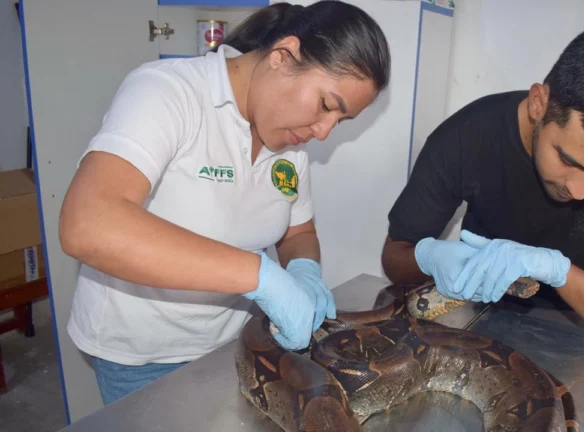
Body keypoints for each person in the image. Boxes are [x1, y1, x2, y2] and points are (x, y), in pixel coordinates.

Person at [58, 1, 390, 405]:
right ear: (283, 57)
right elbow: (88, 224)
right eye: (326, 106)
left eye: (340, 122)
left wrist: (304, 271)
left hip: (233, 345)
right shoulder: (169, 92)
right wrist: (261, 276)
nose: (323, 132)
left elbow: (297, 230)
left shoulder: (289, 139)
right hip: (141, 355)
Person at [381, 25, 584, 344]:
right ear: (538, 103)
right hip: (468, 313)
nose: (580, 190)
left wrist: (558, 271)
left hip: (576, 328)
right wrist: (428, 256)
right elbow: (395, 256)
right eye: (569, 161)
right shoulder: (468, 136)